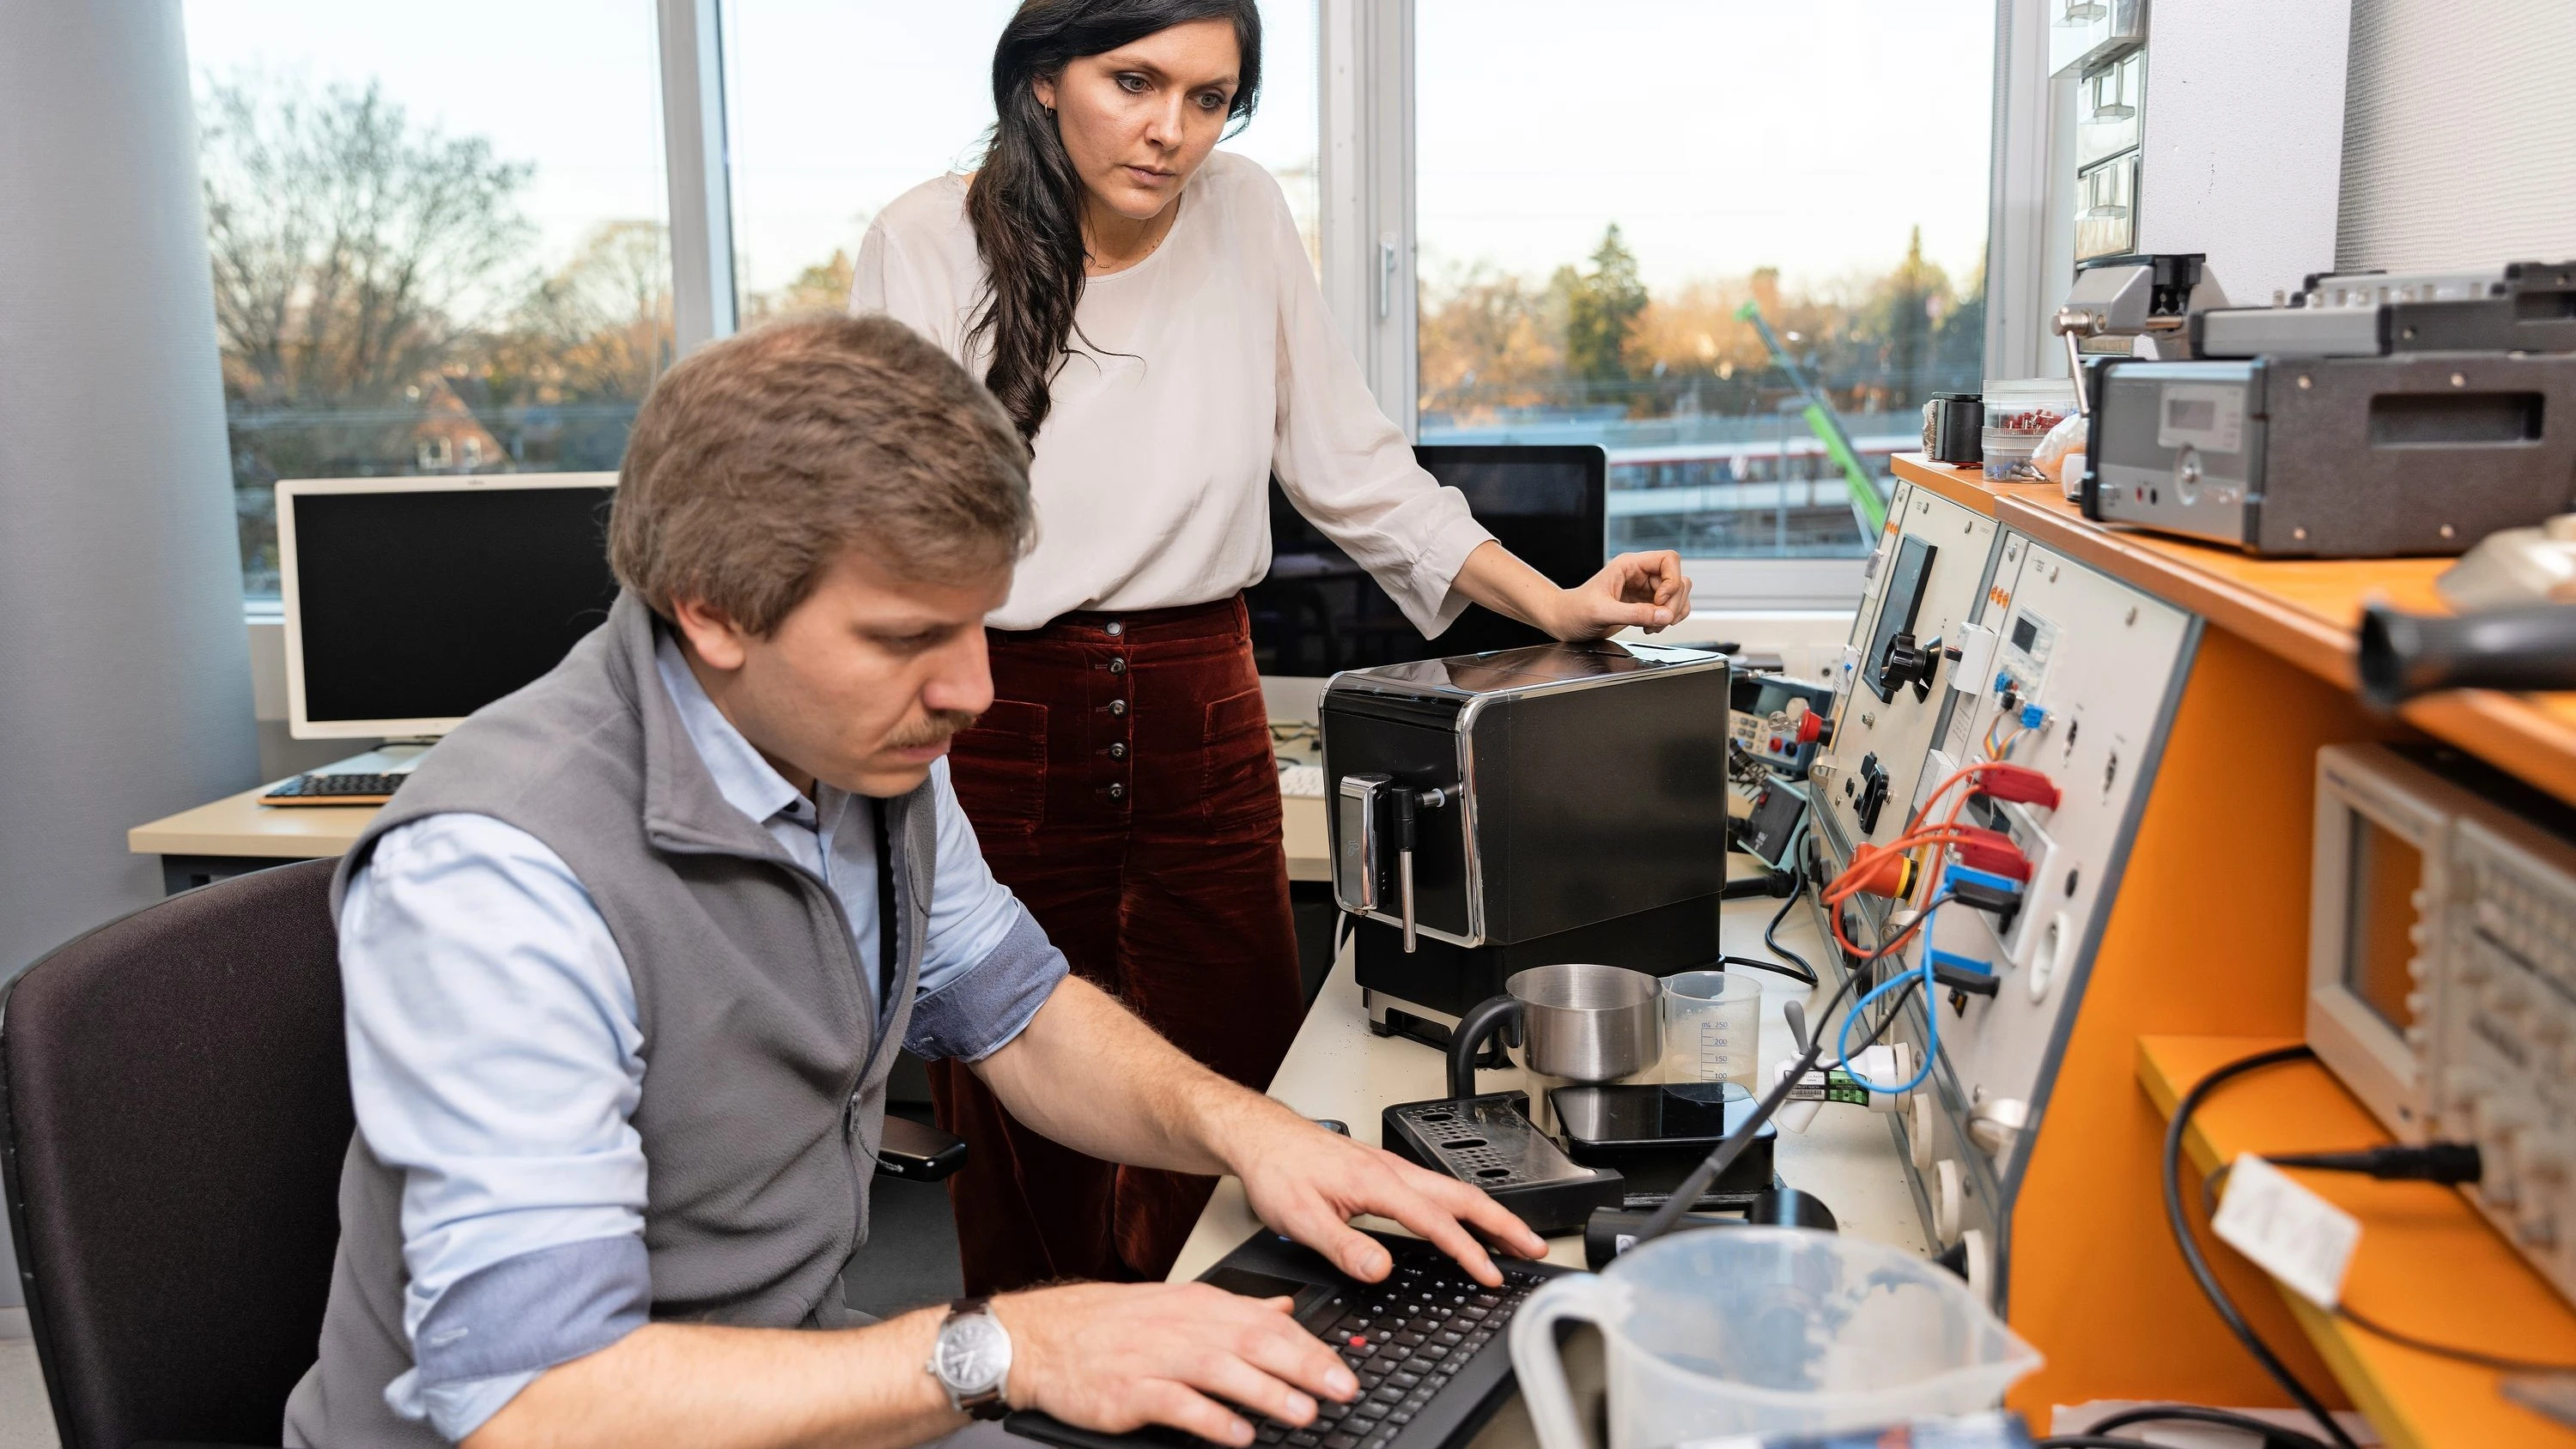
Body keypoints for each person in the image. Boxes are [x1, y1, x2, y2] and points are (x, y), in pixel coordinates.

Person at [281, 314, 1546, 1449]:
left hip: (790, 1379)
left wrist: (1252, 1133)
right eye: (904, 640)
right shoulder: (499, 884)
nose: (973, 693)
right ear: (713, 611)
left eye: (978, 627)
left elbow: (1016, 1010)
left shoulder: (858, 742)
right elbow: (528, 1402)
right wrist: (1018, 1349)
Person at [852, 0, 1694, 1296]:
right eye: (1136, 82)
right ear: (1040, 81)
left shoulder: (1243, 213)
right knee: (1020, 1104)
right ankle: (1041, 1390)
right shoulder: (923, 238)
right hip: (1003, 709)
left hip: (1204, 700)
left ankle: (1234, 1376)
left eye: (1208, 98)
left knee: (1244, 1093)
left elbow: (1353, 470)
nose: (1171, 130)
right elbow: (894, 530)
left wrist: (1555, 605)